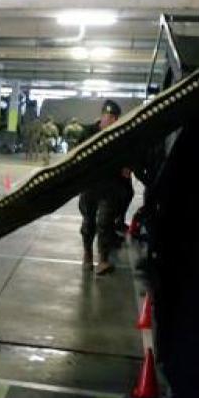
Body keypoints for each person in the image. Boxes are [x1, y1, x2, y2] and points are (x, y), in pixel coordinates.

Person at [78, 100, 131, 275]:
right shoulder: (88, 133)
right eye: (110, 117)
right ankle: (87, 254)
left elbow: (128, 156)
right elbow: (76, 155)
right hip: (90, 187)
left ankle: (103, 260)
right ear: (103, 116)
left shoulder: (120, 136)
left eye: (115, 118)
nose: (113, 121)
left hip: (110, 187)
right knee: (89, 223)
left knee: (104, 223)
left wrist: (127, 167)